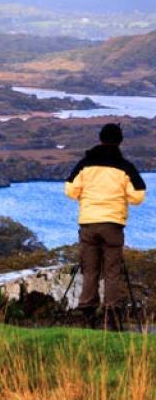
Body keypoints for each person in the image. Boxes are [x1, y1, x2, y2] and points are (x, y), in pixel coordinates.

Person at [64, 123, 146, 329]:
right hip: (112, 224)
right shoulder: (125, 167)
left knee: (89, 270)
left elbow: (70, 190)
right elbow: (138, 196)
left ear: (100, 138)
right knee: (112, 272)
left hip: (88, 223)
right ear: (120, 141)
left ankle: (86, 315)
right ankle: (111, 317)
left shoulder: (85, 164)